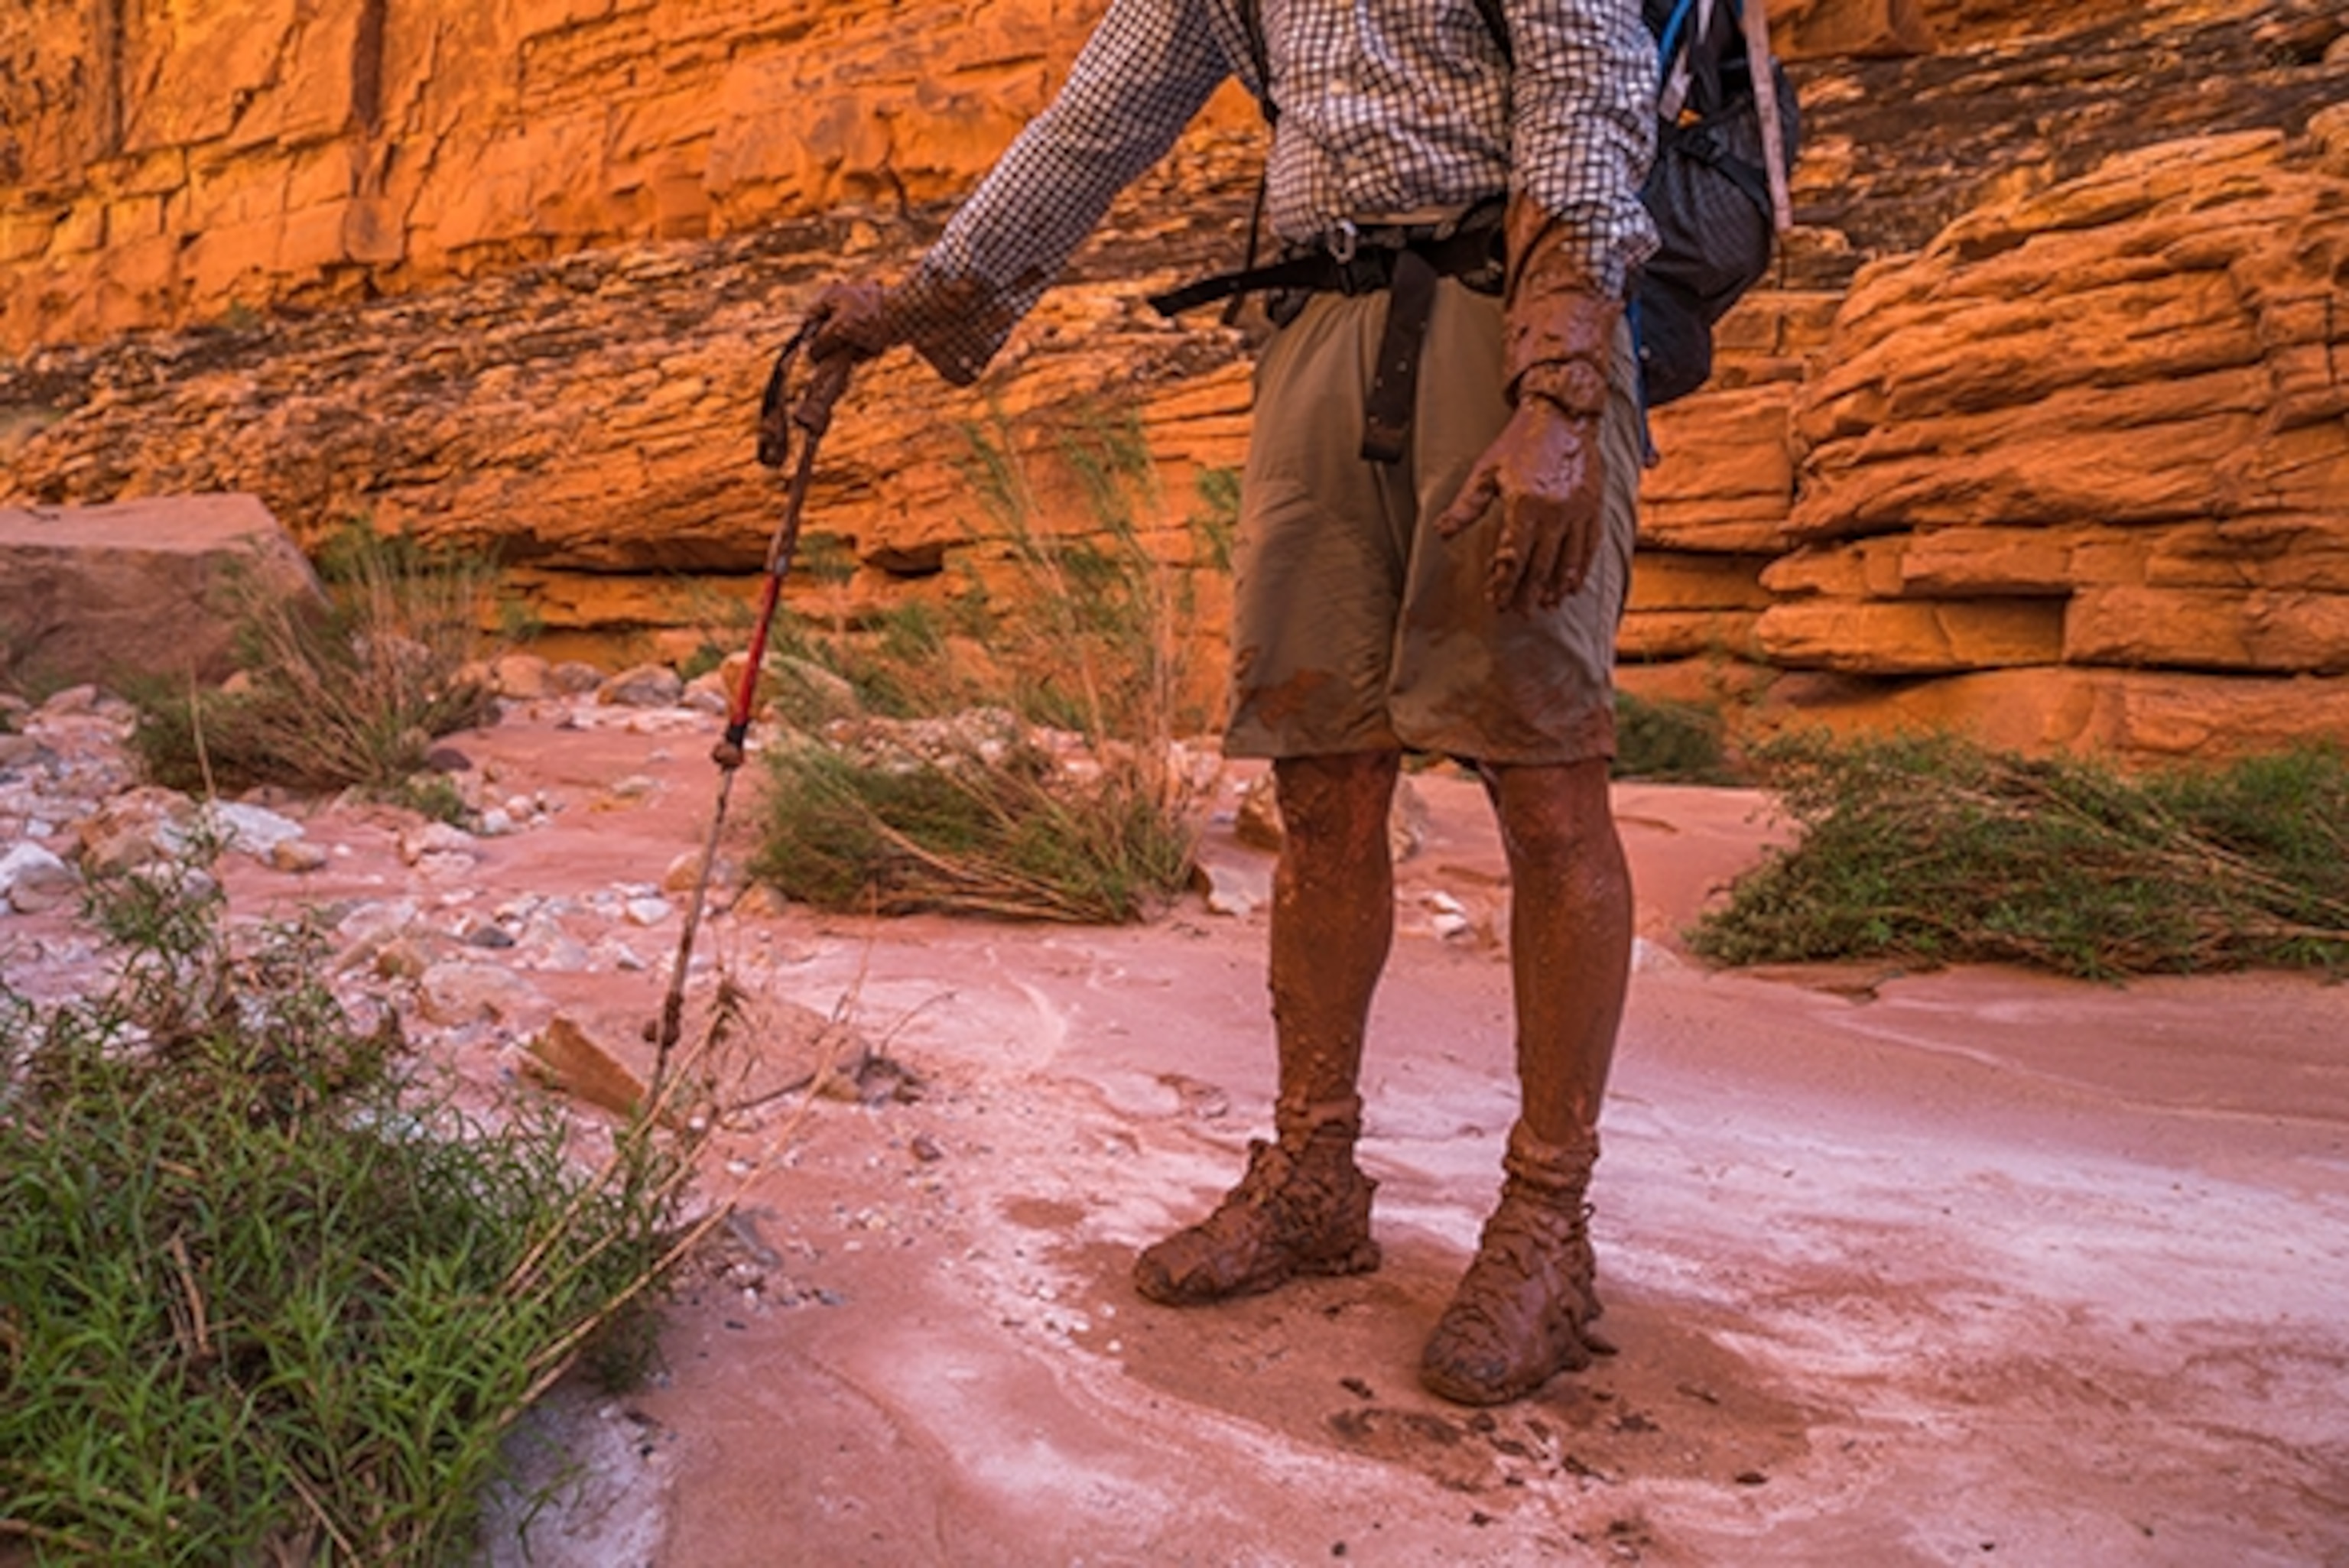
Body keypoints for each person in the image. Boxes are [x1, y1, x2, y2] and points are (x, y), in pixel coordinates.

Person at [807, 0, 1655, 1407]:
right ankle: (1316, 1176)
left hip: (1507, 324)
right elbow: (1097, 126)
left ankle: (1548, 1226)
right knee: (1318, 782)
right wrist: (921, 303)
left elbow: (1588, 67)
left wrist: (1563, 379)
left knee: (1546, 774)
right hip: (1316, 331)